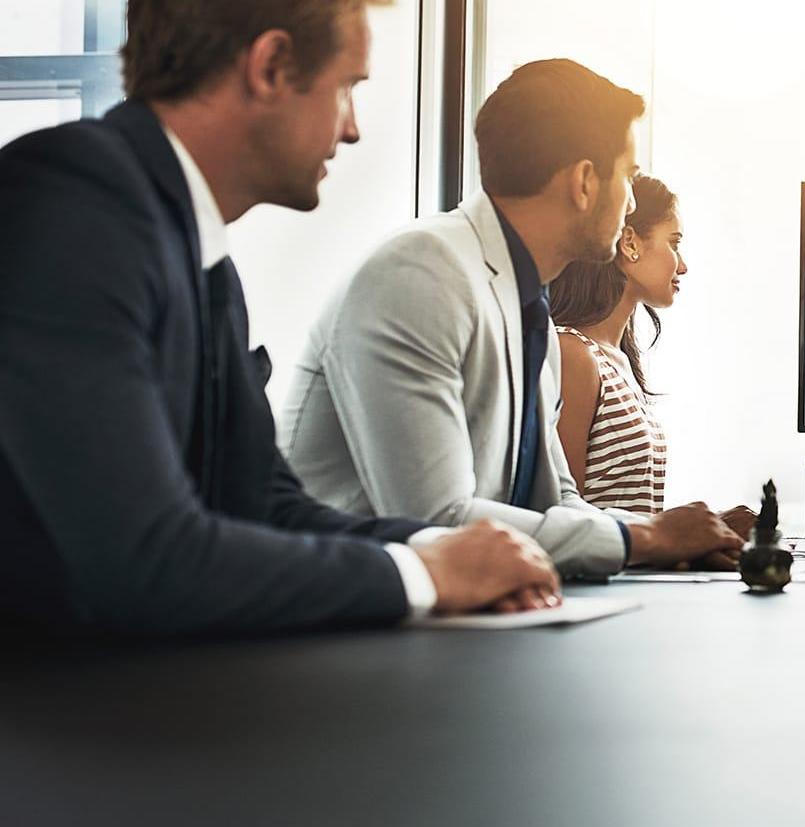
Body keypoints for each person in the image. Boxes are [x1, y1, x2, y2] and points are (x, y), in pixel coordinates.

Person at [0, 0, 560, 636]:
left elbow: (265, 505)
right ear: (269, 66)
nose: (352, 130)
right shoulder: (72, 204)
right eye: (347, 87)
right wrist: (428, 576)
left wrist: (454, 554)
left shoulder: (200, 258)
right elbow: (146, 561)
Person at [279, 60, 744, 576]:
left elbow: (556, 504)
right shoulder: (421, 274)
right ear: (585, 182)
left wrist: (686, 536)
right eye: (628, 177)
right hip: (351, 628)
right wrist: (649, 536)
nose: (632, 199)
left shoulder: (529, 313)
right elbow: (435, 522)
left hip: (455, 620)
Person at [549, 175, 757, 536]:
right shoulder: (573, 355)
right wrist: (678, 531)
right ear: (630, 242)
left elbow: (619, 508)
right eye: (674, 242)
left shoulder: (620, 361)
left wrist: (707, 529)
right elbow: (564, 516)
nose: (683, 265)